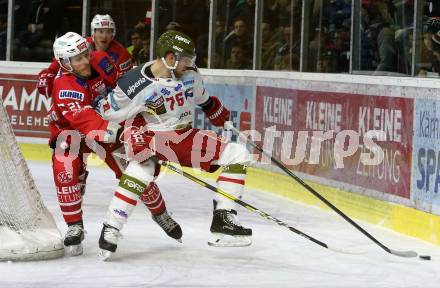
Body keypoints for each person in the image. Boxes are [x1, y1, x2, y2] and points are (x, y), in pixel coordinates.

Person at [94, 30, 253, 260]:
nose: (190, 64)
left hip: (184, 135)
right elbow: (106, 111)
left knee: (237, 153)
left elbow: (204, 100)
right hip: (151, 133)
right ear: (170, 58)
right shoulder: (133, 83)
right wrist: (123, 127)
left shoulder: (190, 74)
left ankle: (223, 220)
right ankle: (112, 227)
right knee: (141, 168)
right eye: (186, 59)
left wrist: (217, 112)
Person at [50, 32, 181, 256]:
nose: (84, 61)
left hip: (110, 124)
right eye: (77, 59)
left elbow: (125, 88)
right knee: (65, 169)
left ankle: (160, 213)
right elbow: (85, 119)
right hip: (71, 132)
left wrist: (138, 122)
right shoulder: (64, 86)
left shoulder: (102, 60)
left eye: (85, 54)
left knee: (135, 168)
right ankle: (74, 225)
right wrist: (118, 132)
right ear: (64, 62)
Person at [36, 14, 132, 98]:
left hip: (108, 96)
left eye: (108, 31)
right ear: (93, 32)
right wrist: (49, 73)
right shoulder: (81, 44)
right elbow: (60, 60)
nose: (104, 36)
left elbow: (125, 83)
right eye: (100, 31)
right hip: (82, 91)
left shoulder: (122, 53)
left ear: (113, 33)